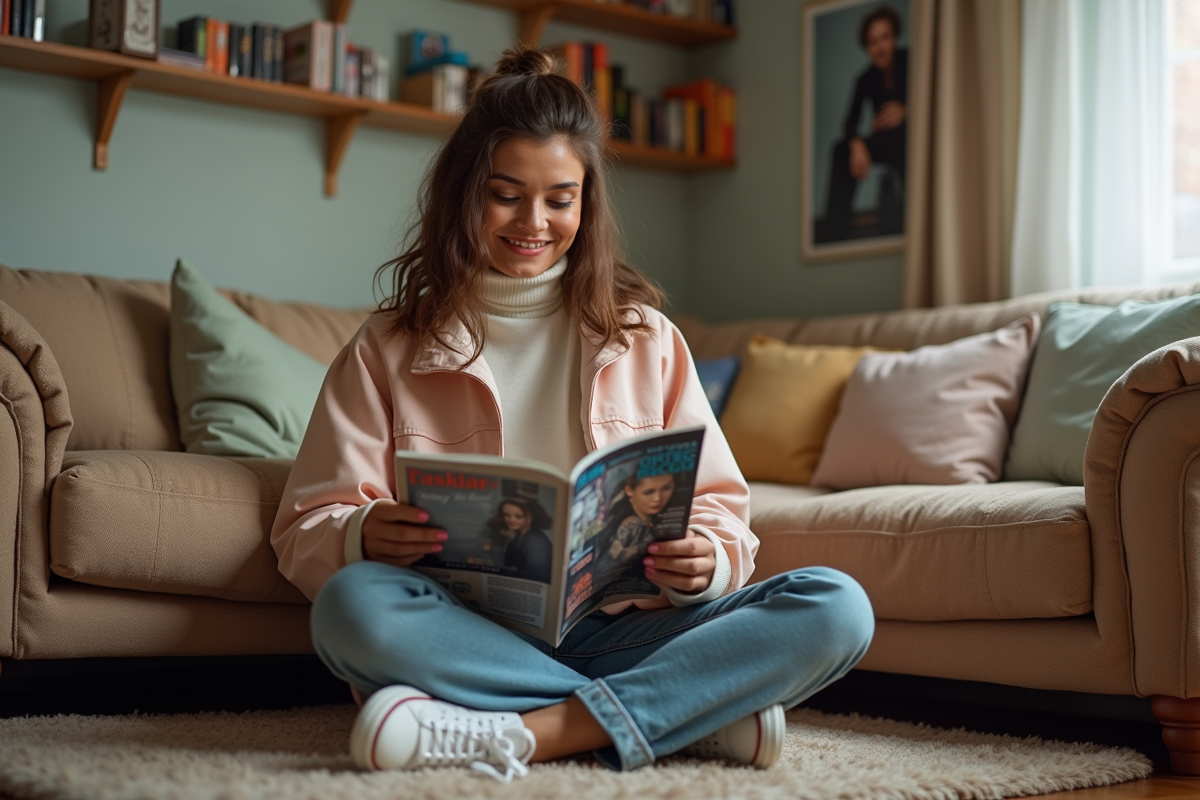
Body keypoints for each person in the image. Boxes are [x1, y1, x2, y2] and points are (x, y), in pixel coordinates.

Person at [270, 46, 875, 782]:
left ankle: (530, 732)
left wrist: (707, 563)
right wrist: (363, 533)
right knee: (351, 610)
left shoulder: (645, 338)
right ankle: (685, 716)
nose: (535, 220)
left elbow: (723, 512)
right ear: (465, 192)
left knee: (838, 608)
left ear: (586, 204)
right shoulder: (387, 347)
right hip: (472, 632)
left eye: (561, 198)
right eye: (506, 194)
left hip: (628, 629)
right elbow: (304, 527)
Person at [822, 4, 908, 241]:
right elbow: (849, 122)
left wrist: (908, 111)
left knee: (908, 141)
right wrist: (857, 143)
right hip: (887, 141)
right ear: (867, 47)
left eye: (885, 38)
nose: (880, 47)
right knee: (841, 149)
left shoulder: (912, 60)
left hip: (913, 137)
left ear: (894, 38)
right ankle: (835, 232)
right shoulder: (864, 79)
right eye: (873, 42)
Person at [607, 473, 676, 564]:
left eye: (666, 488)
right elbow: (613, 554)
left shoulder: (661, 518)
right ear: (629, 491)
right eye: (648, 492)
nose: (657, 498)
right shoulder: (629, 524)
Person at [492, 497, 553, 583]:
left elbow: (537, 575)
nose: (511, 520)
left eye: (518, 516)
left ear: (530, 518)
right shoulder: (518, 536)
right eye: (507, 515)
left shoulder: (535, 542)